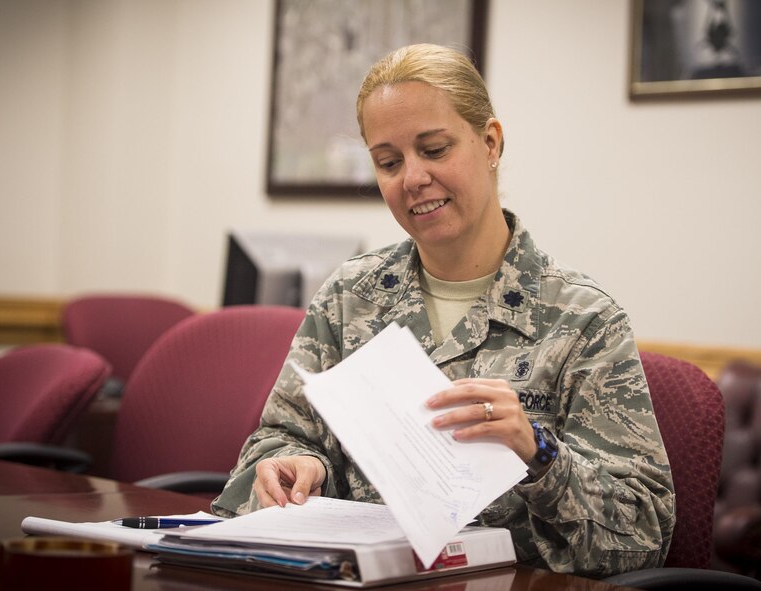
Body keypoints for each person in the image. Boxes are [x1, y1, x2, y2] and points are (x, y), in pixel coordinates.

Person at [212, 43, 674, 577]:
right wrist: (295, 465)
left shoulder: (583, 321)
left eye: (434, 150)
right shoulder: (349, 297)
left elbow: (643, 538)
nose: (412, 178)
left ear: (490, 142)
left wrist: (538, 453)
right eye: (389, 162)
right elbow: (276, 441)